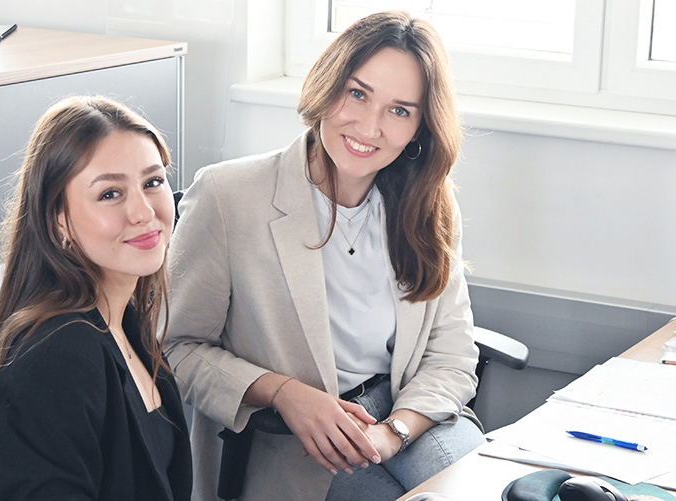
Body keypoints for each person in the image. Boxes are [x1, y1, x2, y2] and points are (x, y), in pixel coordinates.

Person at [165, 10, 484, 501]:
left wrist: (393, 430)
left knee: (483, 492)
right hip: (292, 442)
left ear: (421, 128)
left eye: (400, 110)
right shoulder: (228, 196)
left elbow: (452, 354)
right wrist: (281, 391)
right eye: (357, 93)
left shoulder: (430, 206)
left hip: (410, 413)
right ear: (327, 84)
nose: (369, 127)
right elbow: (178, 347)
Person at [0, 96, 192, 501]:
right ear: (59, 219)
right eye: (110, 194)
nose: (144, 212)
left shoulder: (123, 320)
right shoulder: (59, 355)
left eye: (153, 182)